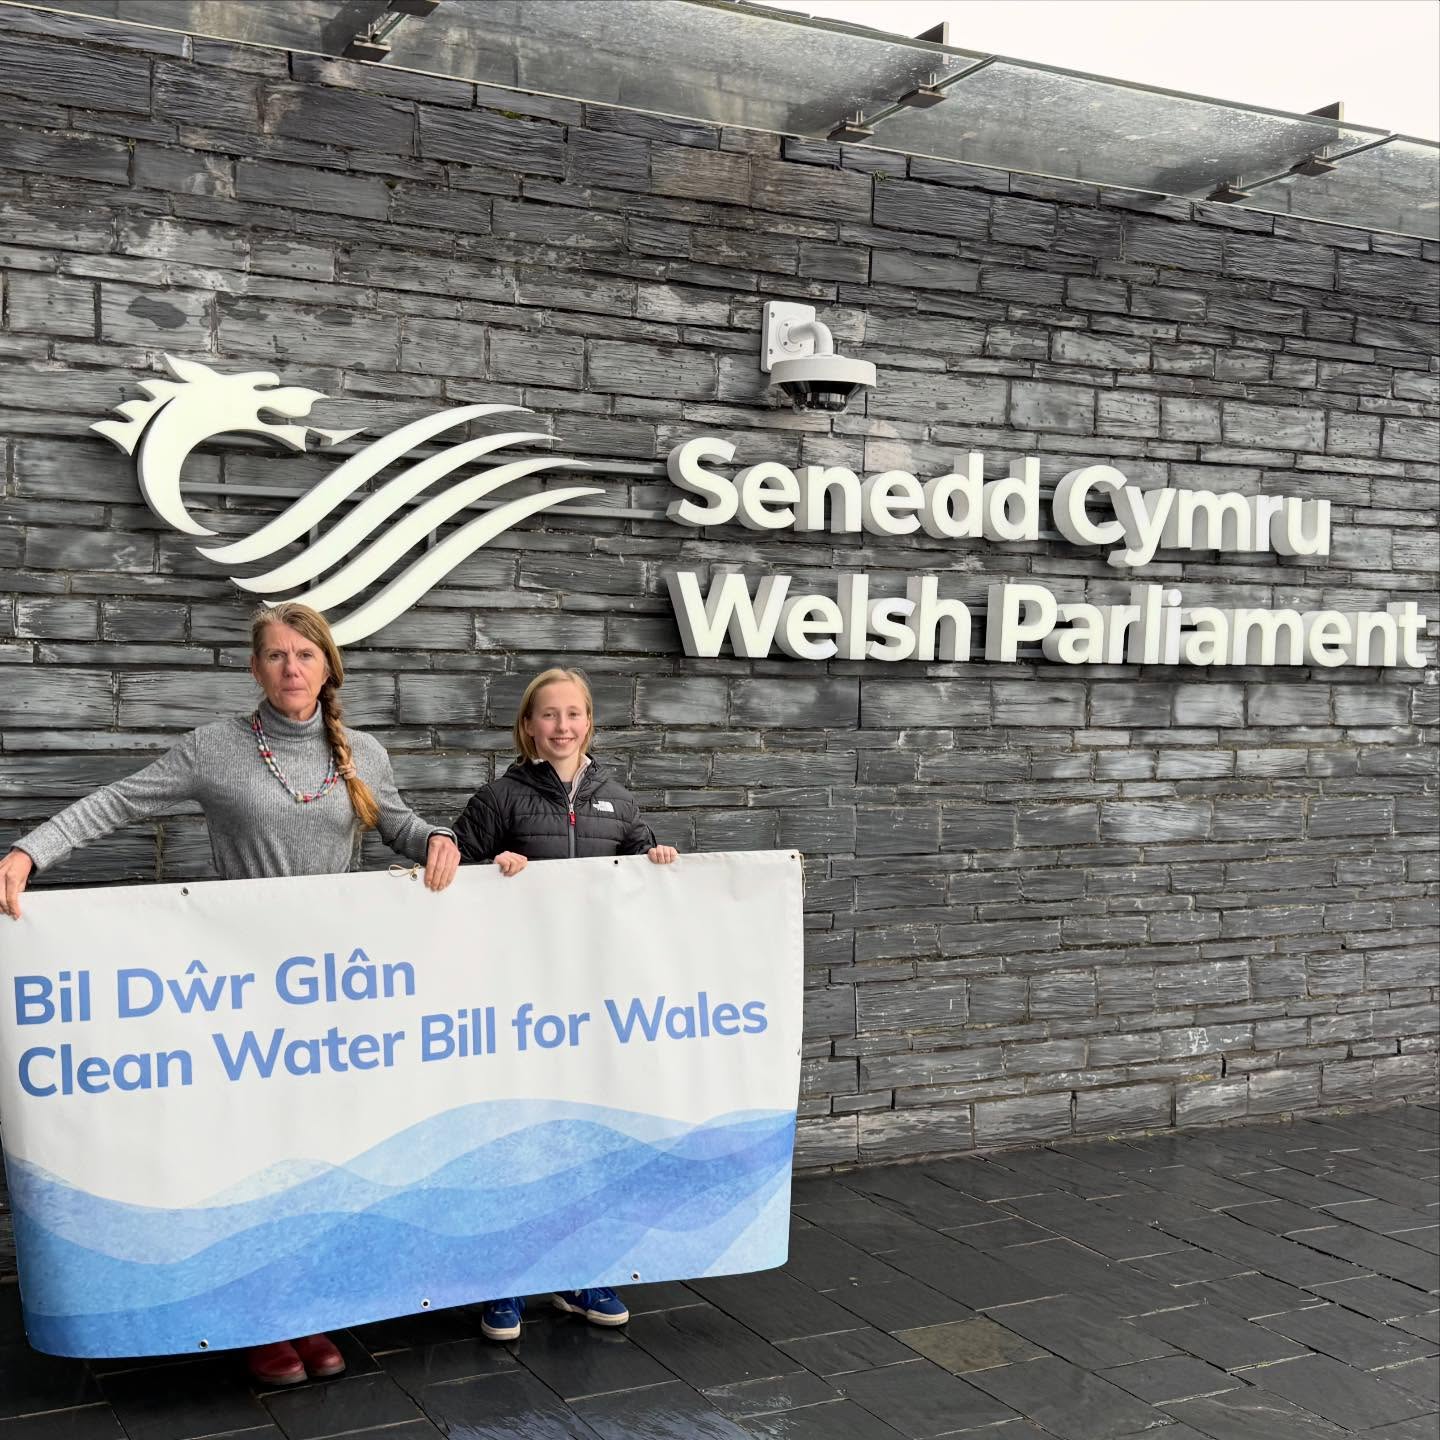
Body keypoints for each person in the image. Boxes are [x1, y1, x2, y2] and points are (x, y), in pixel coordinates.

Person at [0, 601, 461, 1388]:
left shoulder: (363, 754)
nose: (291, 668)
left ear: (327, 667)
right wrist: (26, 852)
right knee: (258, 1151)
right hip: (244, 987)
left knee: (324, 1147)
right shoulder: (216, 749)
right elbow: (116, 801)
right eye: (276, 656)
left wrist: (437, 839)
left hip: (334, 990)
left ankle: (310, 1311)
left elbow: (396, 824)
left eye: (304, 656)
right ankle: (258, 1319)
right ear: (255, 668)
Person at [451, 666, 676, 1341]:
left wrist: (659, 861)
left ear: (589, 723)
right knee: (518, 1140)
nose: (562, 726)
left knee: (586, 1138)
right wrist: (493, 875)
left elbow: (640, 875)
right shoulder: (499, 799)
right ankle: (508, 1282)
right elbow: (451, 875)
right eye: (548, 715)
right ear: (528, 726)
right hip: (519, 1006)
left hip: (592, 1005)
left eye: (573, 713)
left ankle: (581, 1274)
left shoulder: (619, 801)